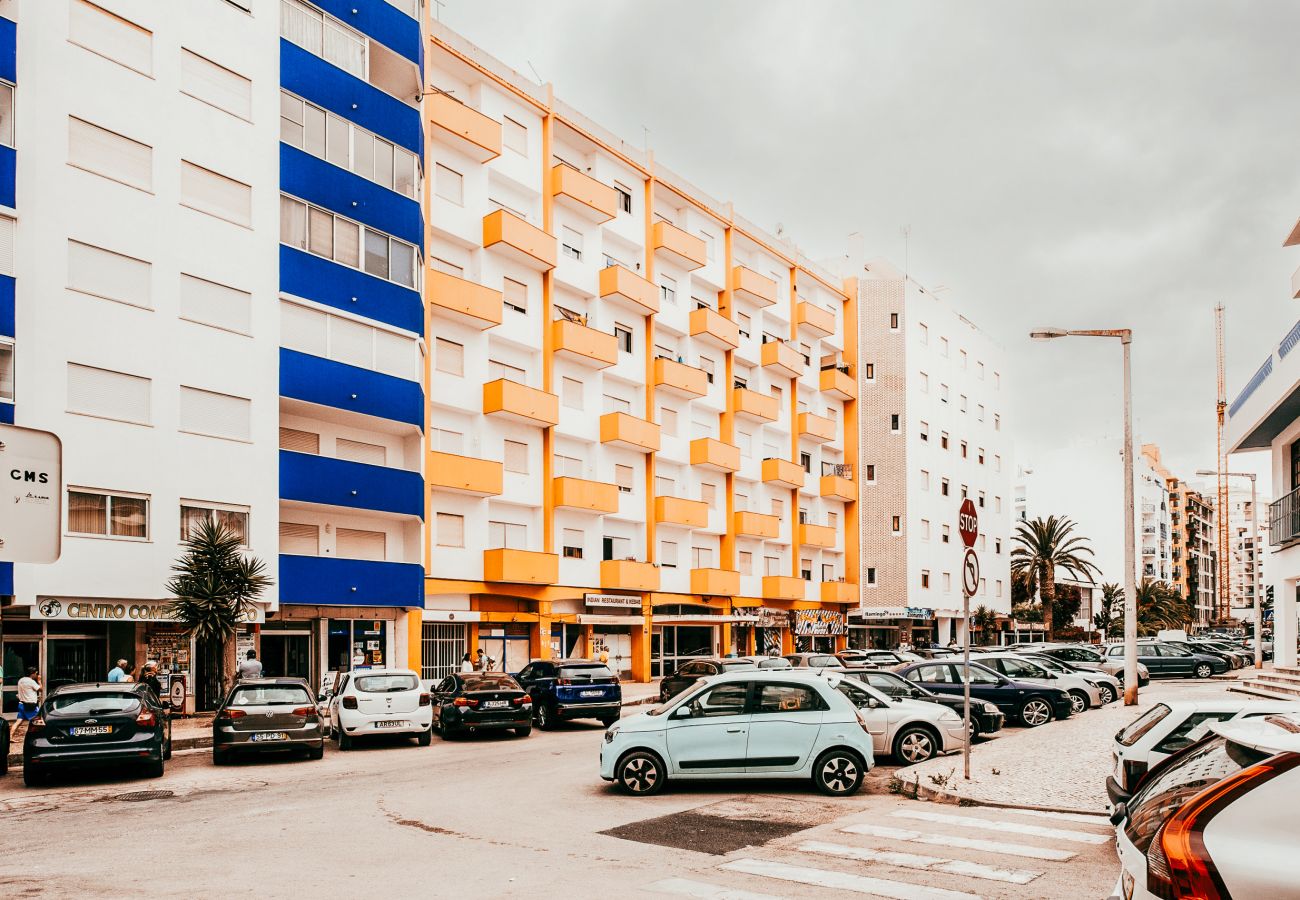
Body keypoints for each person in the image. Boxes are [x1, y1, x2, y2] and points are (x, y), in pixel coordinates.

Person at [13, 667, 40, 742]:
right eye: (36, 673)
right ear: (32, 673)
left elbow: (26, 692)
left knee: (18, 722)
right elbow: (40, 689)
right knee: (39, 720)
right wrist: (39, 681)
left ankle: (10, 737)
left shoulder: (21, 680)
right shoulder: (31, 681)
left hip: (21, 704)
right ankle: (36, 737)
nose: (36, 675)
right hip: (29, 705)